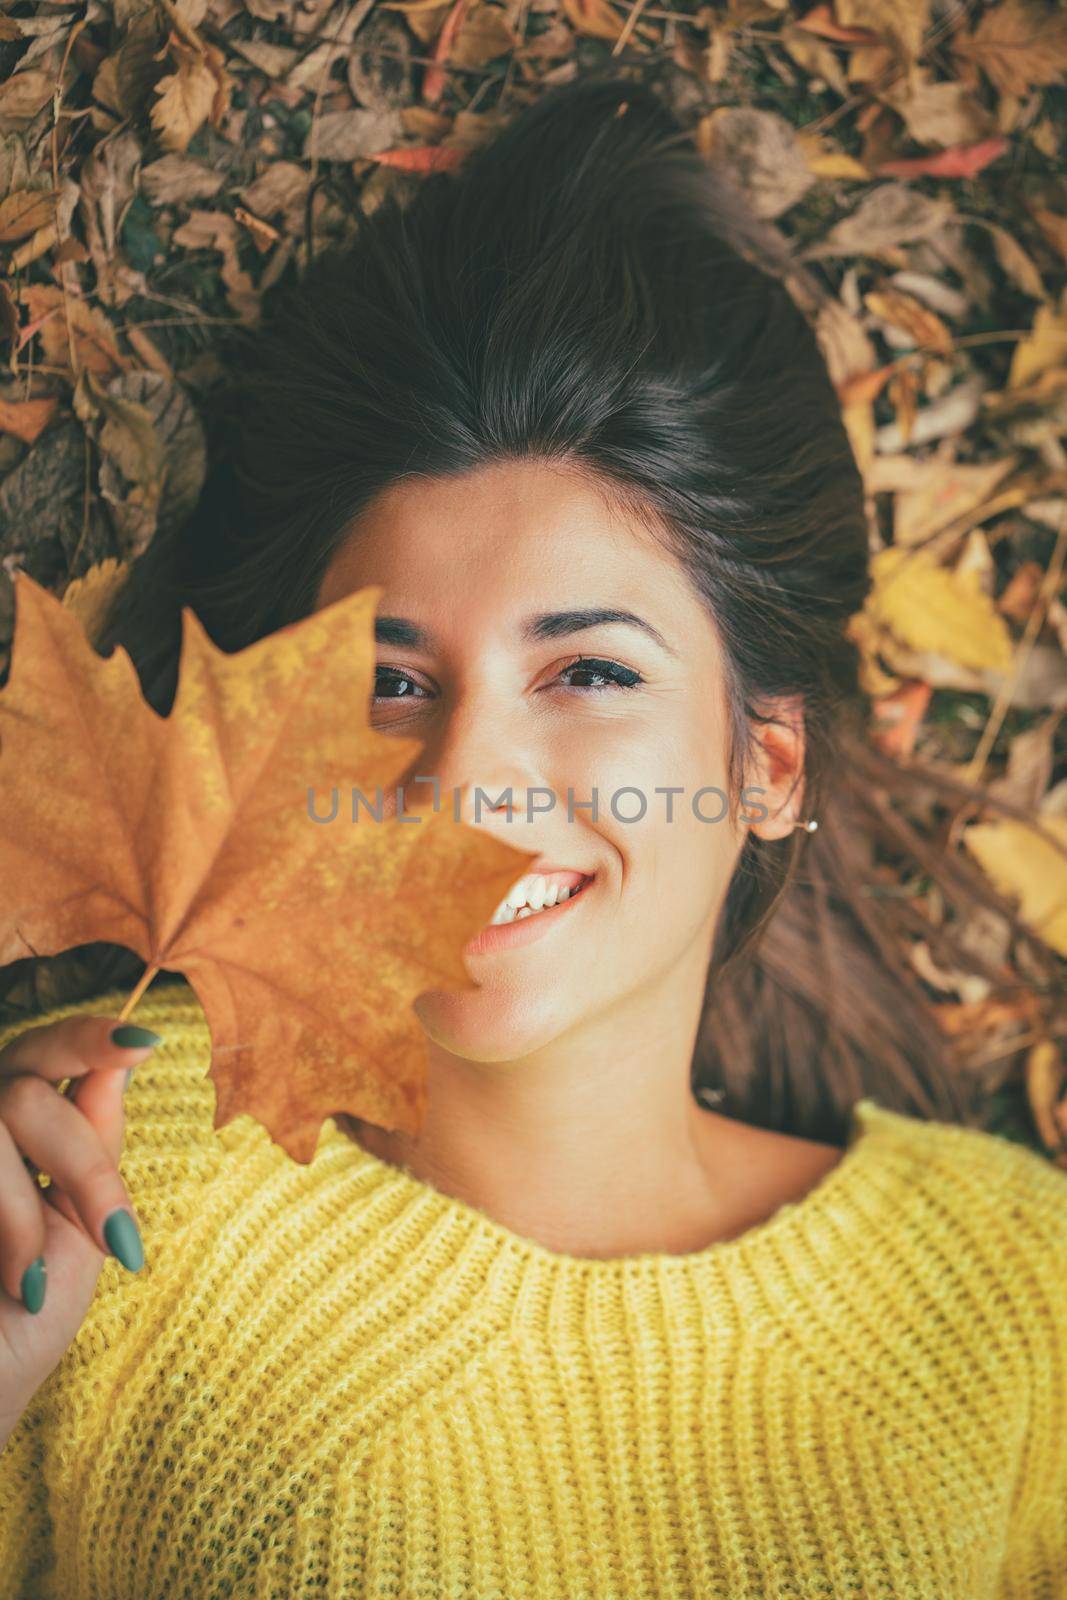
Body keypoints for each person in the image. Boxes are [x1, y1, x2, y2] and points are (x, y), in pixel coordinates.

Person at [1, 68, 1064, 1599]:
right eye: (385, 680)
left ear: (765, 765)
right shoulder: (89, 1184)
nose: (465, 785)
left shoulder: (1020, 1293)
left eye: (589, 673)